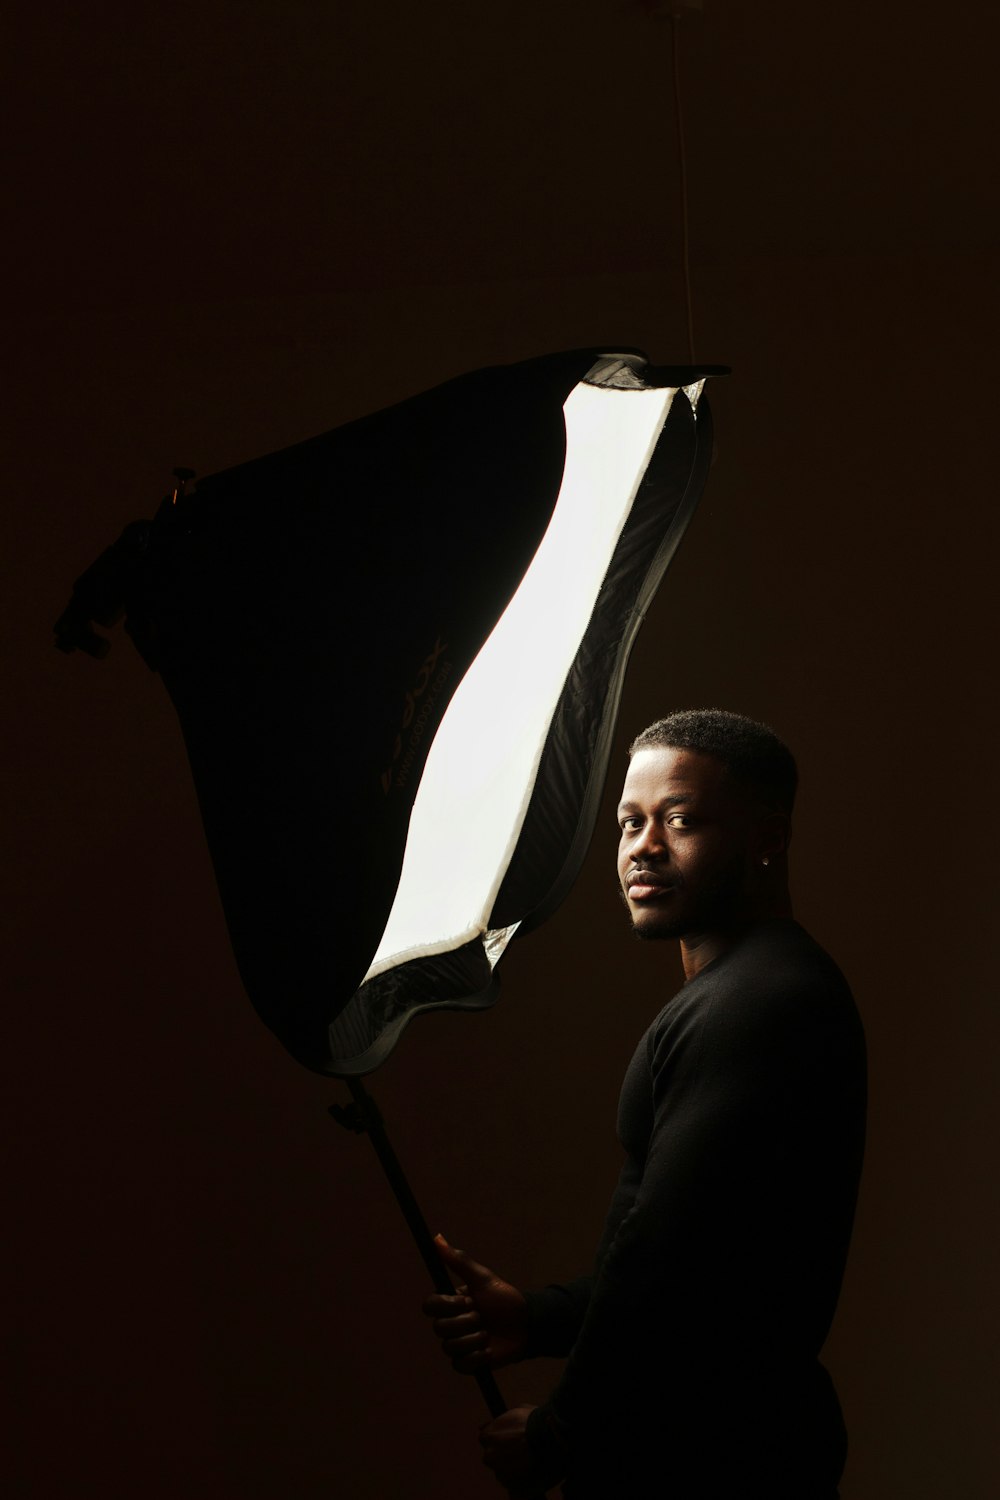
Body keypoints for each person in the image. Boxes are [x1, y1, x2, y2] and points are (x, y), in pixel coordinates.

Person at [422, 709, 867, 1499]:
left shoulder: (757, 1004)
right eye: (631, 822)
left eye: (682, 820)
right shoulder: (746, 994)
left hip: (717, 1466)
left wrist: (561, 1430)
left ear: (768, 838)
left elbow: (669, 1264)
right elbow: (713, 1264)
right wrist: (537, 1317)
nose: (643, 847)